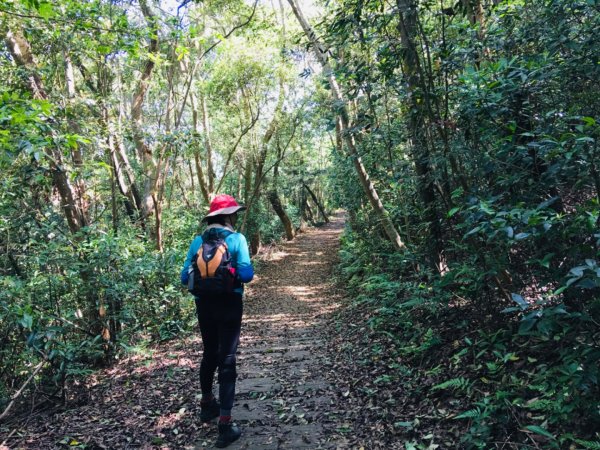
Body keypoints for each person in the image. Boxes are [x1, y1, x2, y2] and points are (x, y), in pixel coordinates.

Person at [181, 194, 254, 448]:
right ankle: (225, 424)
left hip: (204, 306)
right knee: (227, 358)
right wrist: (230, 272)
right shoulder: (237, 239)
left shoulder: (197, 242)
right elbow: (247, 274)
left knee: (209, 353)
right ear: (229, 216)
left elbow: (183, 277)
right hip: (230, 304)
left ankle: (206, 406)